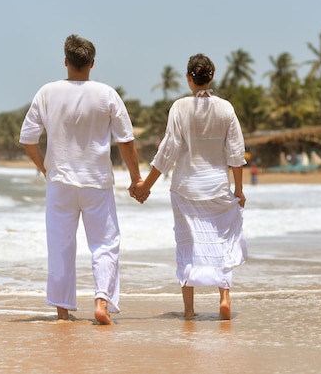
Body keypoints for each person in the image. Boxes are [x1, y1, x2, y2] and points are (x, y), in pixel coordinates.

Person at [19, 34, 142, 325]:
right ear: (91, 64)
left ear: (66, 62)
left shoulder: (47, 92)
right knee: (105, 243)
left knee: (60, 245)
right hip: (96, 181)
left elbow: (28, 139)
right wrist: (136, 178)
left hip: (60, 183)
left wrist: (45, 169)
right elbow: (125, 141)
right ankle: (101, 301)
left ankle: (62, 310)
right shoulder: (107, 94)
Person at [133, 54, 247, 320]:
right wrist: (239, 190)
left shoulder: (179, 108)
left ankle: (189, 309)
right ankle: (224, 297)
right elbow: (236, 153)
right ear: (212, 76)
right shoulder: (226, 108)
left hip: (185, 188)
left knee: (187, 244)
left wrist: (145, 186)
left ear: (188, 78)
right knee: (220, 241)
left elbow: (168, 151)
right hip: (217, 185)